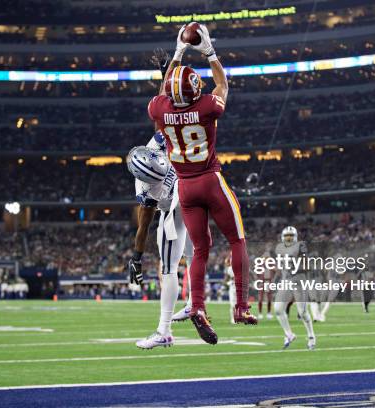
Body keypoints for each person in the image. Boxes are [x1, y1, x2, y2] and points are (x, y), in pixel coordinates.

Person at [148, 24, 256, 344]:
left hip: (185, 186)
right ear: (195, 90)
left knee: (200, 251)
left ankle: (197, 305)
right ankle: (240, 306)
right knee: (237, 240)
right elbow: (222, 84)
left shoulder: (160, 110)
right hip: (209, 179)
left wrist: (178, 52)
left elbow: (164, 91)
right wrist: (208, 51)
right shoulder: (206, 106)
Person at [126, 136, 194, 349]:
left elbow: (144, 227)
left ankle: (164, 331)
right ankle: (195, 303)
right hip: (194, 196)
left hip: (178, 206)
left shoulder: (159, 142)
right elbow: (143, 225)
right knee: (194, 254)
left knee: (169, 269)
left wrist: (136, 259)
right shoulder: (146, 189)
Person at [273, 226, 316, 350]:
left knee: (302, 312)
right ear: (283, 236)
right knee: (278, 309)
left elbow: (307, 264)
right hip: (286, 280)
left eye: (291, 235)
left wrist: (299, 265)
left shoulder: (300, 246)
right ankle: (289, 334)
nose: (289, 237)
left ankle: (311, 336)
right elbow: (281, 266)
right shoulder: (279, 248)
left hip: (298, 280)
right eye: (287, 235)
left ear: (295, 236)